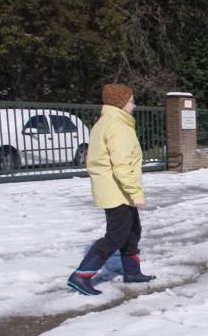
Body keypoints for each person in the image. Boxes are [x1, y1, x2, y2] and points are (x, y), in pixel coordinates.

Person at [67, 83, 156, 295]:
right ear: (120, 103)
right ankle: (81, 275)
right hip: (118, 191)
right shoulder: (118, 127)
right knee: (116, 236)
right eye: (131, 100)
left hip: (115, 189)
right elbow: (122, 165)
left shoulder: (106, 122)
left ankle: (132, 271)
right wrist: (136, 194)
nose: (133, 105)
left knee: (132, 231)